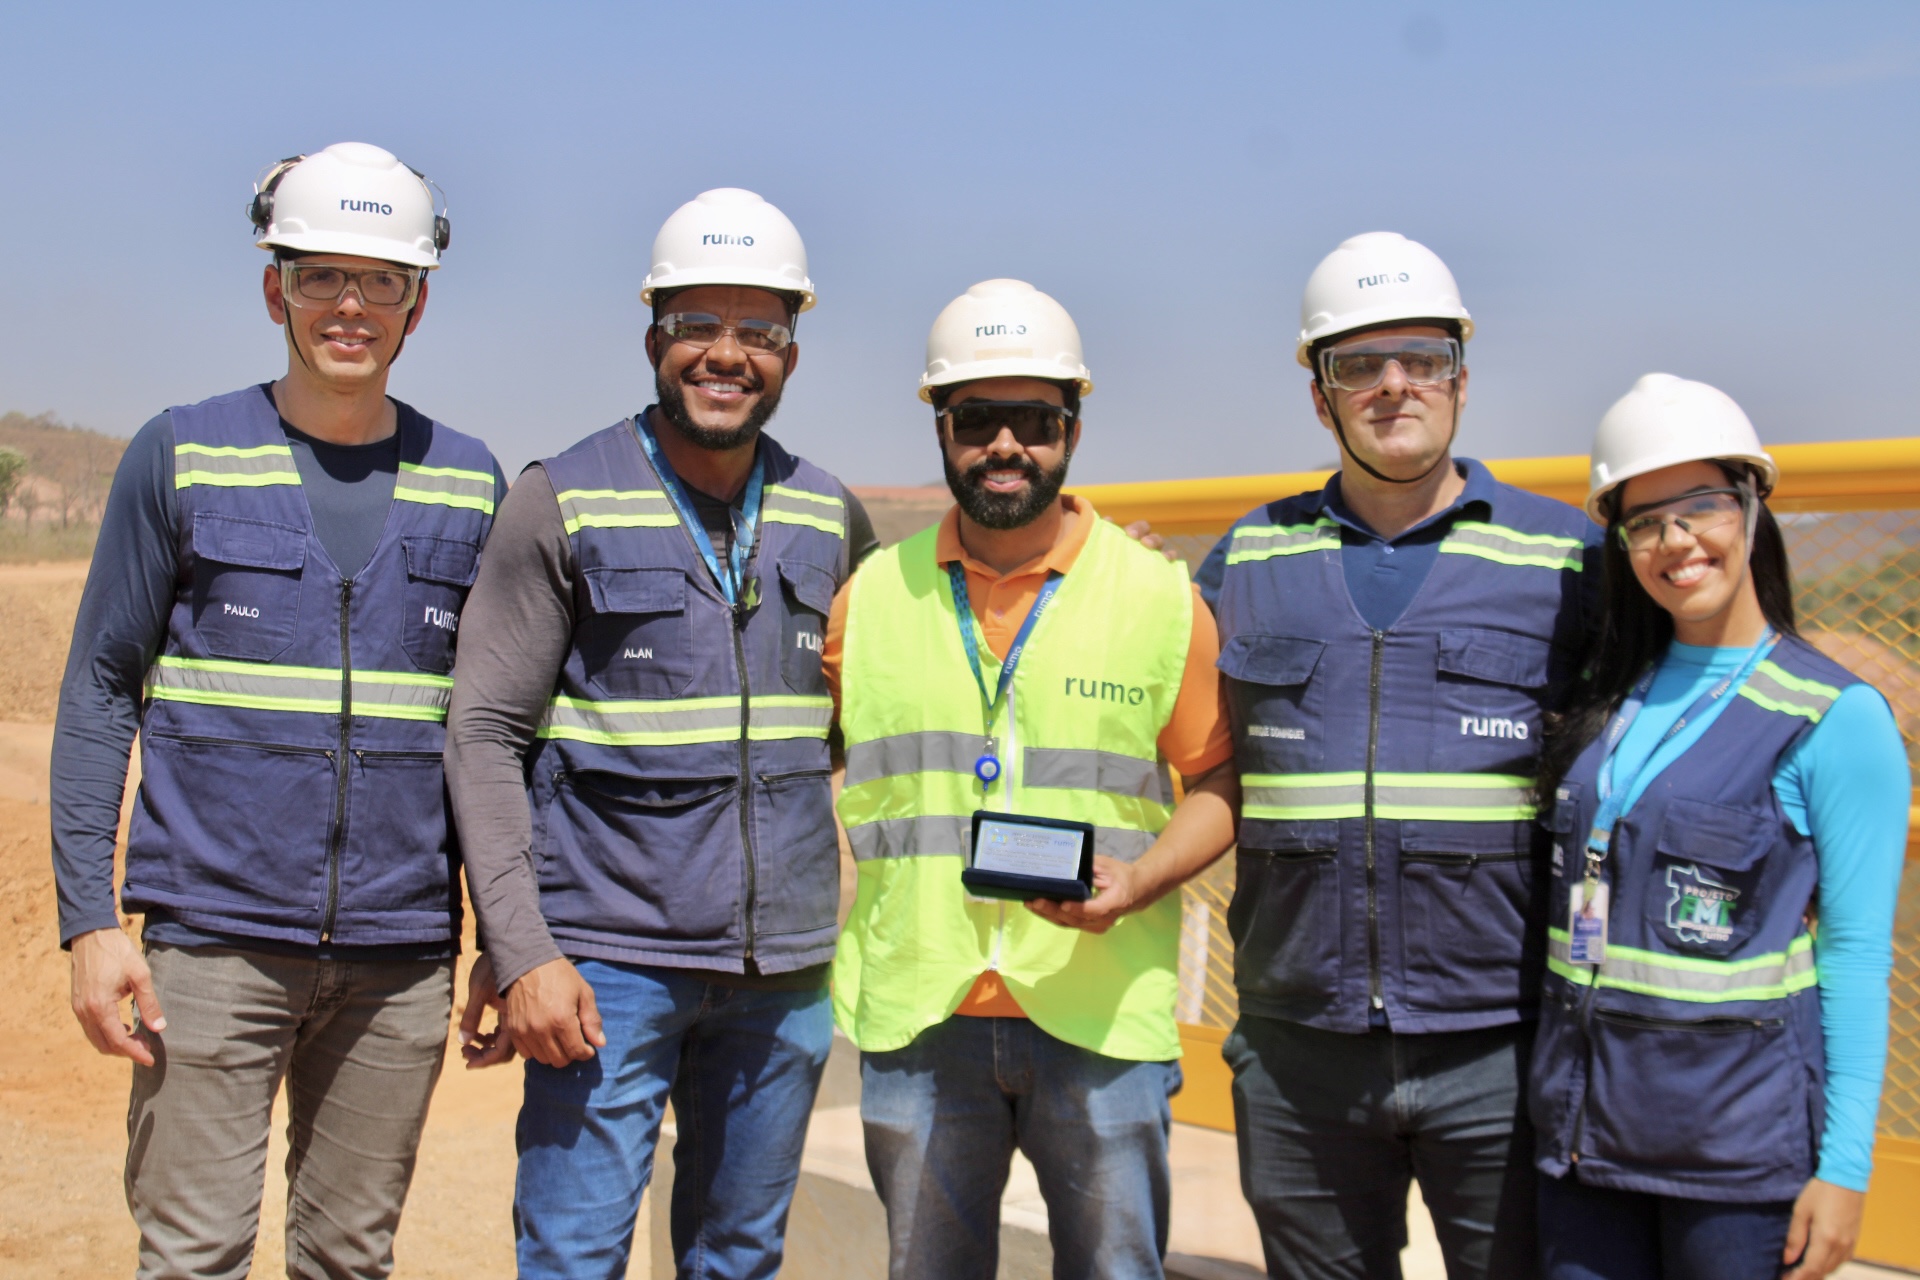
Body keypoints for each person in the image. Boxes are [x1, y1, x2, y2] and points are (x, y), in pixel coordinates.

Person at [51, 142, 503, 1278]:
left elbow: (498, 734)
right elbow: (102, 687)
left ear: (418, 304)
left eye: (381, 280)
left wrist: (505, 930)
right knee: (194, 1253)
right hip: (211, 943)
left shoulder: (471, 481)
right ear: (274, 291)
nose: (350, 305)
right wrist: (88, 919)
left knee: (350, 1257)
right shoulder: (182, 454)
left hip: (401, 955)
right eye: (320, 277)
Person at [444, 187, 879, 1279]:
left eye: (759, 331)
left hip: (780, 973)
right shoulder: (563, 499)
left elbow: (875, 711)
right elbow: (485, 733)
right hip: (609, 965)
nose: (726, 354)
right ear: (654, 337)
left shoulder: (832, 516)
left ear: (791, 351)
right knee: (574, 1256)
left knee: (737, 1256)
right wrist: (522, 946)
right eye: (698, 325)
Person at [1196, 231, 1603, 1279]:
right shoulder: (1247, 558)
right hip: (1298, 1051)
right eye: (1356, 364)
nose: (1392, 385)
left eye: (1419, 357)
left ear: (1461, 376)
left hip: (1499, 1047)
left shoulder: (1569, 560)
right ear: (1319, 393)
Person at [826, 278, 1240, 1280]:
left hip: (1098, 1016)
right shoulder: (868, 600)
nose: (1005, 445)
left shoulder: (1158, 598)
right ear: (942, 424)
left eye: (1034, 421)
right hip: (921, 1018)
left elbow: (1220, 782)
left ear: (1073, 427)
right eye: (977, 419)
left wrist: (1139, 881)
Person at [1530, 373, 1907, 1280]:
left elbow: (1856, 954)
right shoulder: (1607, 702)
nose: (1675, 541)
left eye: (1700, 507)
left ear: (1751, 506)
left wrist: (1845, 1171)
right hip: (1580, 1139)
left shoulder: (1833, 717)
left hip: (1734, 1162)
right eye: (1645, 521)